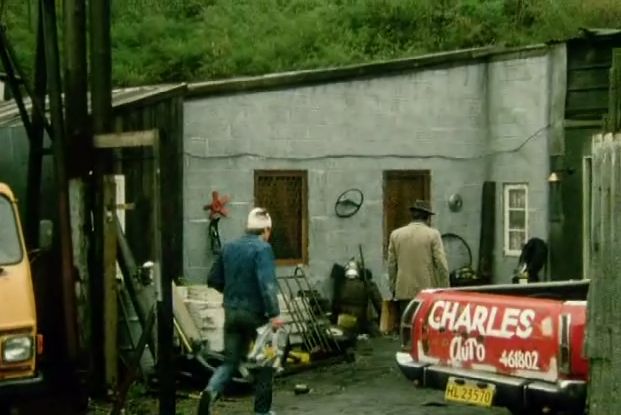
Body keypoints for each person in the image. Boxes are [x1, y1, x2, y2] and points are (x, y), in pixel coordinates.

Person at [198, 207, 284, 415]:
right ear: (266, 229)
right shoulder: (263, 249)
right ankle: (262, 411)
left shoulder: (229, 247)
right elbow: (267, 284)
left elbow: (213, 279)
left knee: (230, 361)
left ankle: (210, 391)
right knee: (266, 363)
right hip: (257, 316)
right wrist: (274, 314)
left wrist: (231, 294)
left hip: (232, 313)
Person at [387, 200, 449, 319]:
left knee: (407, 325)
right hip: (427, 291)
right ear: (427, 217)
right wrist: (444, 288)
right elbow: (441, 263)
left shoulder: (396, 234)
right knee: (424, 325)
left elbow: (391, 265)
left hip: (403, 289)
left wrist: (393, 287)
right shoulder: (432, 234)